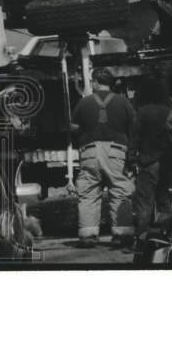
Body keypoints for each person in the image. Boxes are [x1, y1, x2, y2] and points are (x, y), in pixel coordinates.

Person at [70, 68, 138, 249]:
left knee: (89, 193)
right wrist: (131, 156)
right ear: (112, 83)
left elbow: (74, 128)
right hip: (116, 152)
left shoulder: (83, 103)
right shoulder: (124, 102)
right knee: (119, 190)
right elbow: (133, 129)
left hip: (89, 151)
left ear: (94, 82)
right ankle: (122, 235)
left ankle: (88, 235)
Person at [129, 77, 172, 238]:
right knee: (164, 199)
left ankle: (141, 236)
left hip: (147, 162)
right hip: (166, 162)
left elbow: (134, 138)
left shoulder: (141, 113)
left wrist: (131, 160)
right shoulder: (170, 112)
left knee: (144, 202)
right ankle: (167, 234)